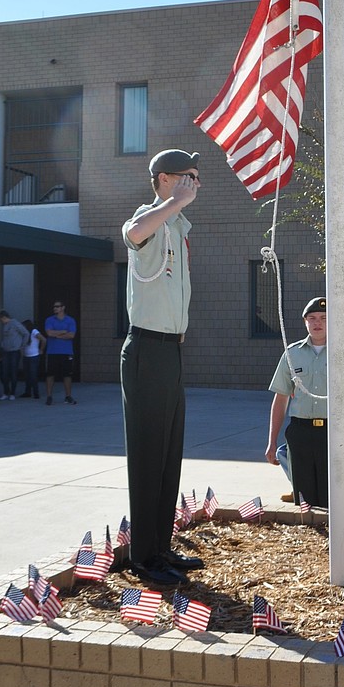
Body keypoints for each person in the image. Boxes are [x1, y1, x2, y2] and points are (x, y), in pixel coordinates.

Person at [121, 149, 203, 586]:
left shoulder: (177, 227)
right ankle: (144, 557)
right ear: (165, 180)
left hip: (169, 352)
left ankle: (161, 547)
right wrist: (172, 204)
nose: (196, 185)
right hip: (147, 351)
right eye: (189, 177)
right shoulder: (151, 217)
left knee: (169, 454)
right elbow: (133, 233)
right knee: (148, 456)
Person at [265, 297, 344, 508]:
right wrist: (271, 441)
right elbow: (280, 399)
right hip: (300, 432)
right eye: (312, 318)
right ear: (305, 321)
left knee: (332, 500)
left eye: (324, 318)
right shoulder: (292, 354)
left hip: (334, 433)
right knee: (304, 503)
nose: (318, 323)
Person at [44, 300, 77, 404]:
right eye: (54, 307)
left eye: (57, 306)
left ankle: (68, 396)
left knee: (67, 375)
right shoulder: (49, 320)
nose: (55, 308)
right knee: (50, 374)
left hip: (66, 352)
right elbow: (49, 333)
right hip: (52, 352)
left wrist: (56, 335)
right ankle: (49, 396)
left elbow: (71, 335)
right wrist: (63, 332)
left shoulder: (70, 320)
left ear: (63, 307)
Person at [0, 311, 29, 400]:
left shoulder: (15, 323)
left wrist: (22, 345)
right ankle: (6, 391)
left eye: (1, 319)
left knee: (13, 372)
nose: (1, 321)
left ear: (4, 317)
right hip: (6, 351)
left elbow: (26, 333)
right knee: (4, 372)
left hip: (15, 351)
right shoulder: (5, 326)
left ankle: (12, 393)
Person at [21, 318, 47, 399]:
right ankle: (27, 392)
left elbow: (43, 339)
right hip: (26, 356)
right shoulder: (24, 334)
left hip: (34, 356)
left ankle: (36, 393)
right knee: (27, 375)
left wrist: (41, 349)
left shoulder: (34, 331)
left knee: (33, 375)